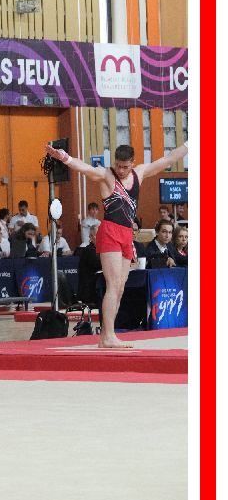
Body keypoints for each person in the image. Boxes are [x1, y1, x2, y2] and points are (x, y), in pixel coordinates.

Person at [45, 139, 188, 348]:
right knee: (112, 285)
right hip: (110, 231)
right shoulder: (107, 175)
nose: (120, 170)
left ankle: (107, 335)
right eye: (118, 165)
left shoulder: (140, 173)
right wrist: (64, 157)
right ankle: (108, 335)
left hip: (127, 234)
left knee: (120, 287)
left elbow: (167, 160)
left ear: (132, 163)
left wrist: (190, 144)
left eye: (125, 166)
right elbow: (84, 168)